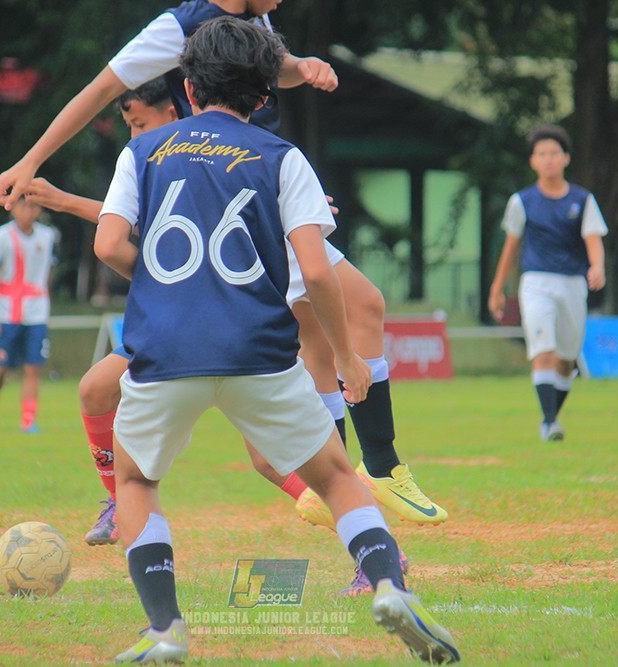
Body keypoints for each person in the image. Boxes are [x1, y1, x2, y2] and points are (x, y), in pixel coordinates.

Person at [92, 17, 459, 663]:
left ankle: (165, 628)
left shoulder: (143, 152)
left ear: (187, 85)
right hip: (256, 350)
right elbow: (316, 271)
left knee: (136, 480)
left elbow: (108, 244)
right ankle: (391, 587)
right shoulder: (284, 158)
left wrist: (166, 285)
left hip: (164, 351)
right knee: (339, 477)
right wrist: (347, 356)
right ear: (265, 96)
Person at [26, 79, 420, 597]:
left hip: (227, 321)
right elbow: (126, 224)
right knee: (98, 388)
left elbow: (348, 291)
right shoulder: (182, 155)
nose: (138, 131)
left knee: (288, 465)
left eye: (141, 121)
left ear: (181, 101)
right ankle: (378, 557)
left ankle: (375, 548)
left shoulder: (218, 157)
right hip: (198, 321)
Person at [488, 124, 608, 442]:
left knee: (567, 358)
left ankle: (551, 417)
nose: (549, 159)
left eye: (554, 153)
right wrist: (497, 288)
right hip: (536, 282)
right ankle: (550, 421)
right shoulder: (522, 201)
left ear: (566, 158)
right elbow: (511, 247)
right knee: (543, 350)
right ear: (533, 161)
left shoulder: (583, 200)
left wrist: (598, 266)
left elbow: (593, 238)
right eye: (542, 154)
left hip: (572, 284)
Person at [0, 196, 57, 434]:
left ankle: (28, 421)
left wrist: (45, 302)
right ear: (13, 209)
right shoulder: (1, 236)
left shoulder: (48, 236)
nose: (29, 211)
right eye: (23, 206)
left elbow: (47, 273)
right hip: (7, 312)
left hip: (37, 312)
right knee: (0, 367)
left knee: (33, 367)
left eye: (33, 206)